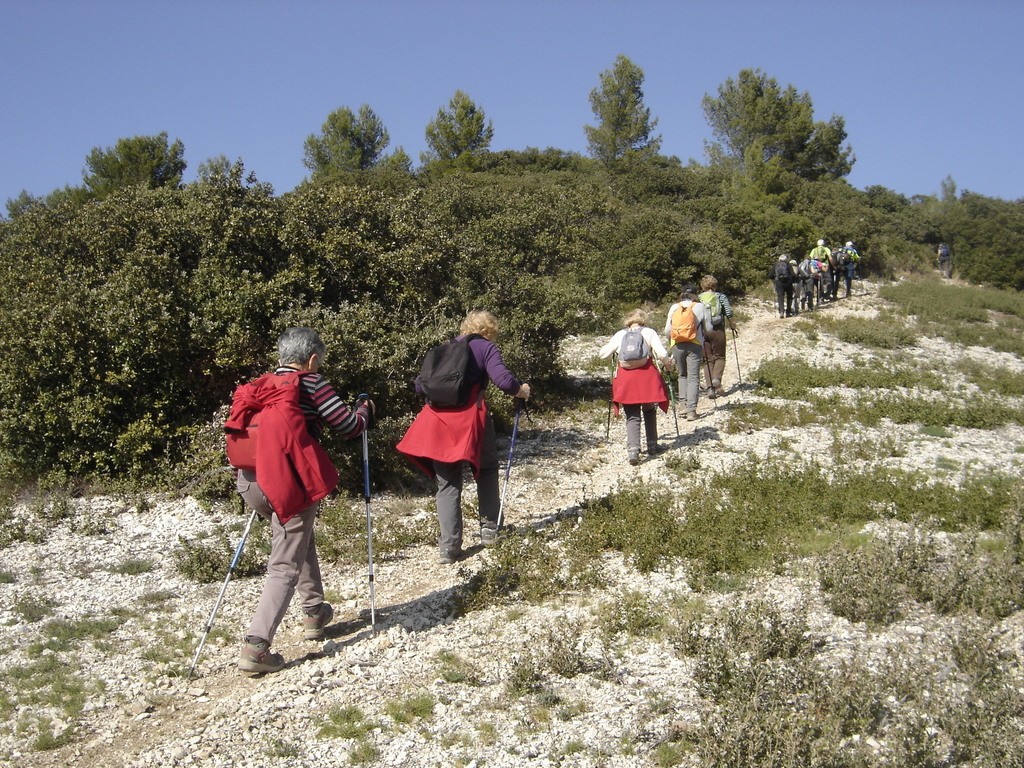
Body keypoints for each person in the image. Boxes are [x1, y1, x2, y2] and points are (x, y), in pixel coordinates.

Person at [226, 327, 374, 675]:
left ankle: (314, 613)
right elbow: (348, 425)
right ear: (310, 359)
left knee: (297, 539)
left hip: (249, 482)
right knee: (283, 564)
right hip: (288, 481)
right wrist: (365, 411)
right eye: (319, 360)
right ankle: (256, 646)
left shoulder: (260, 385)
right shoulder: (311, 382)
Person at [396, 310, 530, 565]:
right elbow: (503, 380)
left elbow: (418, 385)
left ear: (465, 327)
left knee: (447, 484)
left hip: (437, 422)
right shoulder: (486, 348)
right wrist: (521, 390)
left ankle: (449, 548)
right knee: (487, 470)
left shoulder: (445, 348)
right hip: (471, 420)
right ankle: (490, 531)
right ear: (489, 330)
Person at [598, 309, 671, 464]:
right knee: (649, 410)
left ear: (628, 320)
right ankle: (652, 445)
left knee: (632, 414)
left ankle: (633, 451)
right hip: (646, 376)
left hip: (626, 378)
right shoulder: (649, 332)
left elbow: (603, 354)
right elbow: (661, 354)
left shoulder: (620, 334)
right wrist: (669, 365)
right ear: (643, 320)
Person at [664, 285, 713, 422]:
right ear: (695, 294)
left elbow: (667, 331)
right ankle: (691, 411)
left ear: (682, 294)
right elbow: (708, 328)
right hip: (695, 344)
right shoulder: (700, 306)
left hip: (677, 344)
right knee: (693, 376)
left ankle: (683, 406)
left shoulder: (674, 307)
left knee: (682, 375)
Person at [697, 275, 737, 398]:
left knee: (708, 360)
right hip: (717, 329)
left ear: (703, 286)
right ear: (714, 285)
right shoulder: (720, 296)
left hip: (703, 331)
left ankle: (710, 389)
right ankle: (716, 379)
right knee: (720, 357)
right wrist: (732, 325)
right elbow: (728, 312)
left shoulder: (698, 298)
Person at [769, 254, 794, 319]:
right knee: (789, 297)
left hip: (779, 283)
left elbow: (770, 275)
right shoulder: (788, 265)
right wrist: (791, 280)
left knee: (780, 297)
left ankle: (781, 312)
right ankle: (788, 312)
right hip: (788, 283)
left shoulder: (776, 265)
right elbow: (793, 274)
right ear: (786, 259)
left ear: (779, 259)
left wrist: (775, 280)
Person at [809, 239, 832, 303]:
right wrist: (833, 265)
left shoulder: (814, 250)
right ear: (823, 244)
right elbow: (830, 258)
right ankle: (827, 295)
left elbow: (810, 258)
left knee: (820, 283)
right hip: (825, 267)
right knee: (828, 281)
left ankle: (820, 298)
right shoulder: (826, 249)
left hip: (816, 267)